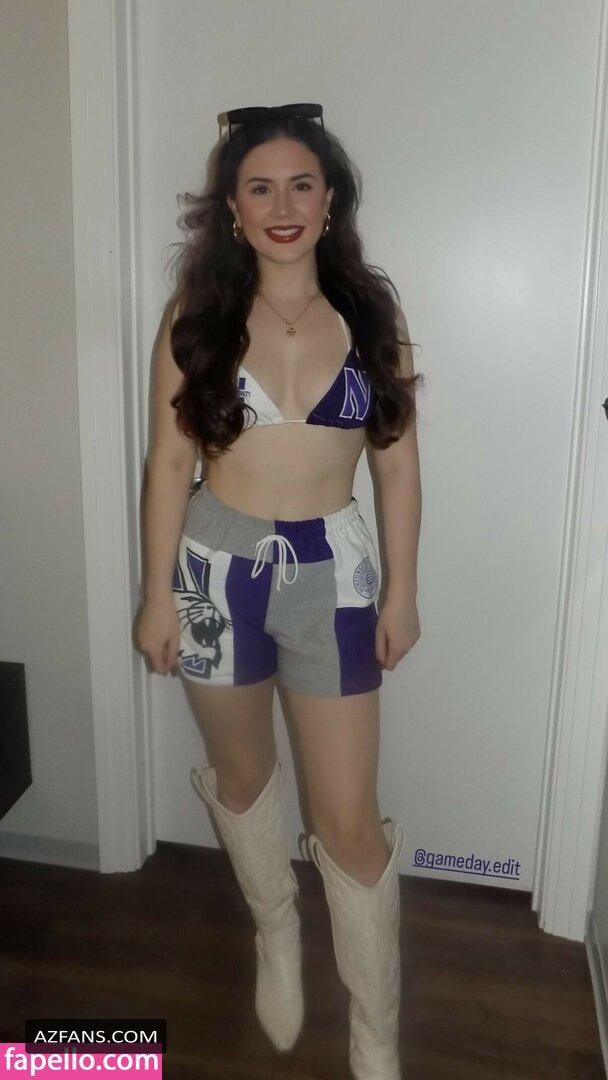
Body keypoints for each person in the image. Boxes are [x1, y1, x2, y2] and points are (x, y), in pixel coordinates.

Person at [135, 102, 423, 1080]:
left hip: (333, 574)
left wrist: (402, 593)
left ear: (330, 198)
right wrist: (156, 594)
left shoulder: (372, 317)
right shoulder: (197, 319)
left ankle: (375, 1029)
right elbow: (169, 464)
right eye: (259, 187)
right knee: (245, 778)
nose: (282, 204)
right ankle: (274, 929)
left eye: (301, 183)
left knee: (349, 820)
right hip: (214, 572)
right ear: (231, 207)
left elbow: (395, 467)